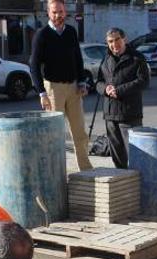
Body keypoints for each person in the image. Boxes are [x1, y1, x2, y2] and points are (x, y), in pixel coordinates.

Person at [30, 0, 93, 171]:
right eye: (54, 12)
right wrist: (41, 93)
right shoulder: (42, 35)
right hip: (53, 89)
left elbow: (78, 59)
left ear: (65, 12)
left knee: (79, 132)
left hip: (73, 88)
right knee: (54, 134)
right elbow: (34, 65)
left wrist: (82, 82)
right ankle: (55, 171)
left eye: (61, 12)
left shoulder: (71, 32)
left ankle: (85, 169)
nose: (58, 15)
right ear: (48, 13)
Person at [94, 27, 150, 169]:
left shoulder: (137, 58)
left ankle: (138, 186)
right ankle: (122, 184)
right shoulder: (106, 60)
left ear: (124, 39)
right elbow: (98, 82)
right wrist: (105, 89)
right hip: (110, 116)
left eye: (117, 39)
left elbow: (143, 81)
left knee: (136, 155)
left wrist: (119, 91)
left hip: (130, 115)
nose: (114, 44)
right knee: (117, 157)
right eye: (110, 41)